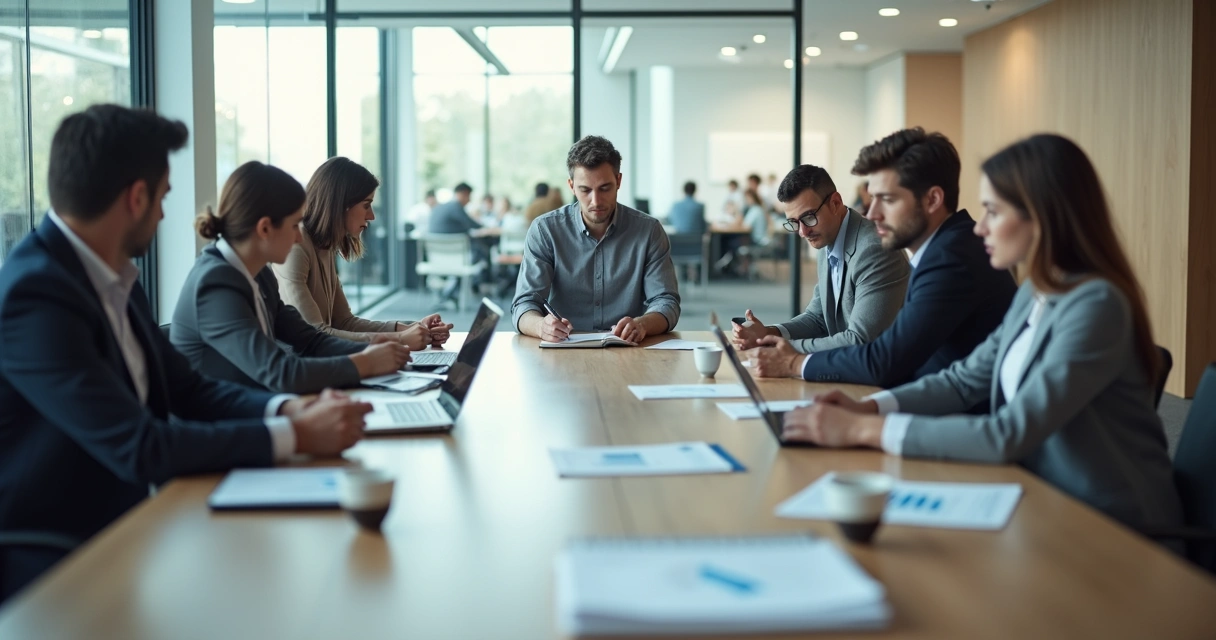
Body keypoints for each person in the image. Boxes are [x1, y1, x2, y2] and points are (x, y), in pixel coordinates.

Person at [0, 105, 371, 602]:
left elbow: (189, 390)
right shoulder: (36, 296)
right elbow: (140, 446)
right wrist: (294, 432)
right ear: (136, 198)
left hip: (138, 521)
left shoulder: (115, 279)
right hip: (63, 558)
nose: (164, 214)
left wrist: (287, 407)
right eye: (162, 198)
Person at [780, 134, 1183, 533]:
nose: (979, 228)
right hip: (1039, 495)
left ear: (1042, 216)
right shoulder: (1036, 291)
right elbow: (964, 379)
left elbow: (1009, 432)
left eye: (993, 211)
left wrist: (864, 430)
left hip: (1109, 526)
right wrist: (869, 409)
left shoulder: (1096, 305)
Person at [749, 128, 1017, 395]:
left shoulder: (951, 259)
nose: (873, 213)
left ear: (932, 199)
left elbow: (882, 358)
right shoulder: (942, 251)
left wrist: (793, 361)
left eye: (887, 199)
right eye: (872, 197)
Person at [172, 161, 412, 394]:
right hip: (223, 423)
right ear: (265, 228)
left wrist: (375, 347)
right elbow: (279, 372)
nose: (299, 238)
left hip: (256, 407)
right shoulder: (215, 283)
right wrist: (366, 362)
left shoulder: (261, 275)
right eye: (295, 225)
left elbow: (311, 340)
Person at [512, 135, 680, 343]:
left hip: (627, 350)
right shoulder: (545, 230)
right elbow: (524, 304)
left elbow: (666, 302)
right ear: (572, 186)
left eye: (604, 188)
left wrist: (642, 324)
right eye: (585, 190)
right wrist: (541, 326)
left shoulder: (649, 231)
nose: (596, 201)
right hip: (564, 348)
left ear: (618, 181)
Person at [274, 157, 452, 348]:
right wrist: (401, 339)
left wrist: (412, 329)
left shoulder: (323, 247)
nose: (372, 216)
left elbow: (344, 322)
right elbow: (314, 335)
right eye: (366, 205)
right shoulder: (296, 246)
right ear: (341, 204)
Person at [733, 164, 909, 354]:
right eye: (794, 222)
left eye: (808, 217)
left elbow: (860, 340)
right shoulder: (827, 239)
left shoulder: (875, 251)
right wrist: (769, 333)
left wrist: (780, 347)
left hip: (890, 375)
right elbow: (818, 318)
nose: (802, 232)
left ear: (835, 203)